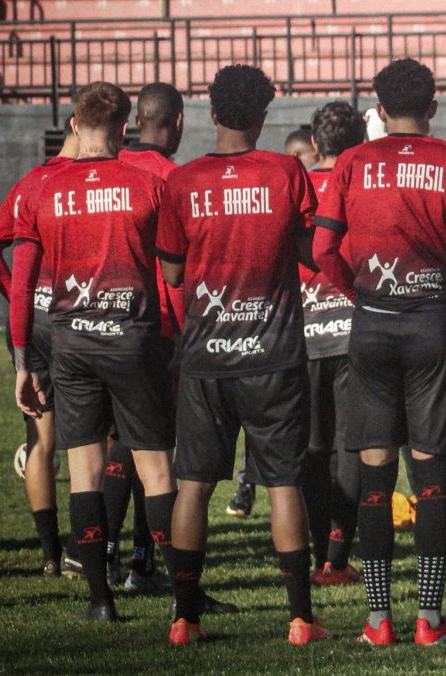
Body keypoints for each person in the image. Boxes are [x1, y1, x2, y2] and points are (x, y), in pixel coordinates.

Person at [312, 58, 446, 646]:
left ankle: (377, 622)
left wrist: (360, 296)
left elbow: (321, 250)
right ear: (435, 108)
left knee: (374, 476)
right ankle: (429, 619)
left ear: (379, 109)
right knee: (431, 479)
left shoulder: (351, 162)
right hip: (431, 332)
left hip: (370, 328)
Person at [157, 64, 327, 645]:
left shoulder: (181, 182)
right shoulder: (284, 171)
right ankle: (301, 619)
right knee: (284, 485)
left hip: (206, 358)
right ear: (263, 115)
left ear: (210, 112)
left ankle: (184, 618)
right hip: (274, 355)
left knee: (194, 486)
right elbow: (311, 252)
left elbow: (173, 271)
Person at [11, 82, 178, 622]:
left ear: (75, 126)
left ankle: (100, 603)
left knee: (83, 469)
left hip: (70, 343)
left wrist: (21, 360)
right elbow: (175, 267)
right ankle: (182, 597)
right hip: (133, 339)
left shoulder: (43, 190)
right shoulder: (148, 183)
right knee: (155, 470)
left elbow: (21, 284)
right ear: (125, 128)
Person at [0, 117, 76, 578]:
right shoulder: (91, 183)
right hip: (76, 321)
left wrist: (18, 293)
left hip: (31, 322)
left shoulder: (29, 182)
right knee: (88, 440)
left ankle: (49, 555)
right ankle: (90, 547)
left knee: (40, 442)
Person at [105, 81, 187, 594]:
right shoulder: (173, 179)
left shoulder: (111, 171)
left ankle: (108, 558)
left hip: (107, 323)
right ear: (176, 122)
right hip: (163, 330)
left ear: (136, 122)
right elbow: (180, 269)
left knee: (118, 442)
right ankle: (143, 563)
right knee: (155, 450)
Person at [300, 100, 366, 585]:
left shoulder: (294, 186)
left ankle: (316, 550)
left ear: (315, 143)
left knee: (311, 449)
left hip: (299, 336)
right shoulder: (364, 188)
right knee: (350, 448)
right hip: (353, 331)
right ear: (360, 143)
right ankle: (337, 559)